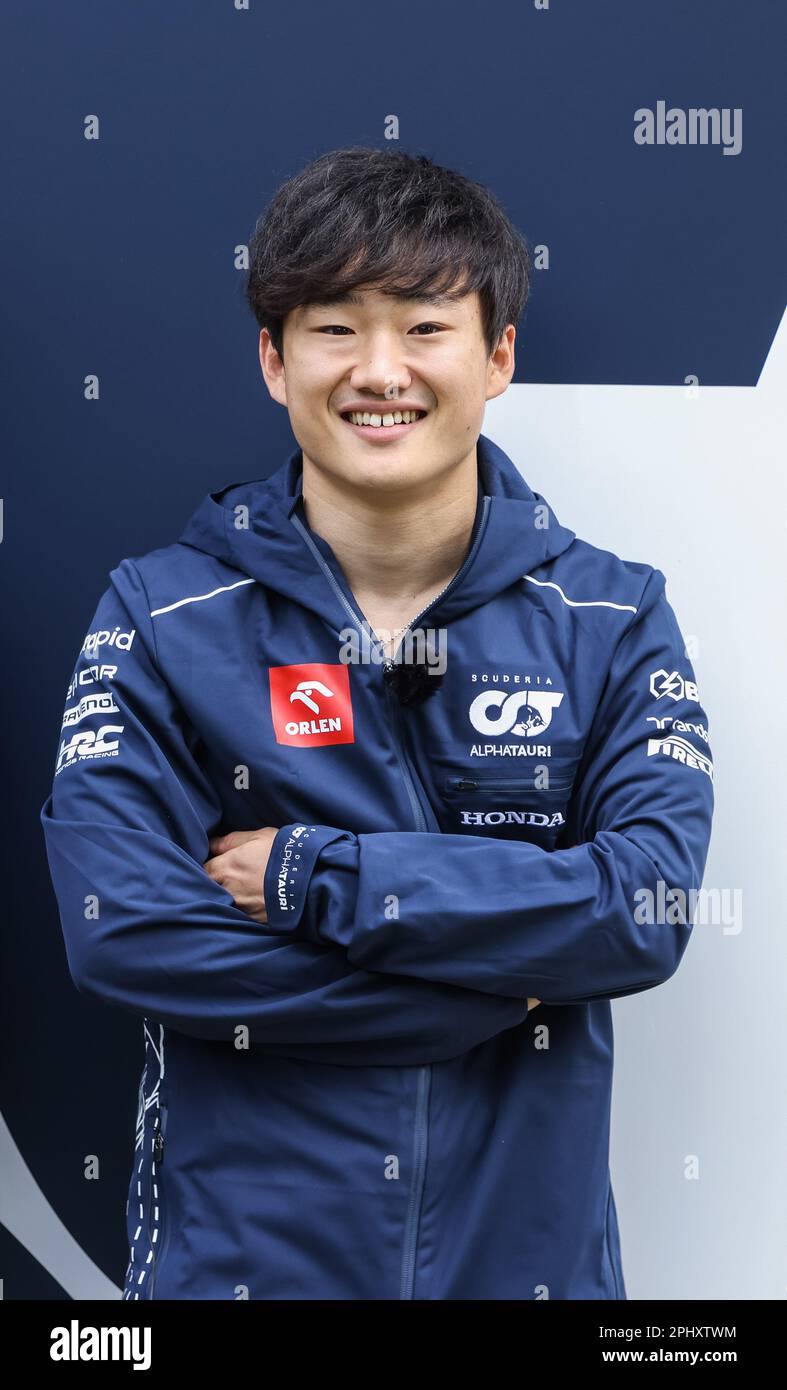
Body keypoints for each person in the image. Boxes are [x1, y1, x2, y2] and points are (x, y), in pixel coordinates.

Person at [40, 146, 714, 1300]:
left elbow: (638, 912)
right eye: (333, 327)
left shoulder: (612, 614)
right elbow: (124, 933)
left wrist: (316, 875)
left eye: (423, 325)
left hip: (527, 1274)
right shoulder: (161, 615)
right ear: (273, 359)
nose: (379, 369)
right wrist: (498, 984)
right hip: (239, 1277)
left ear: (498, 355)